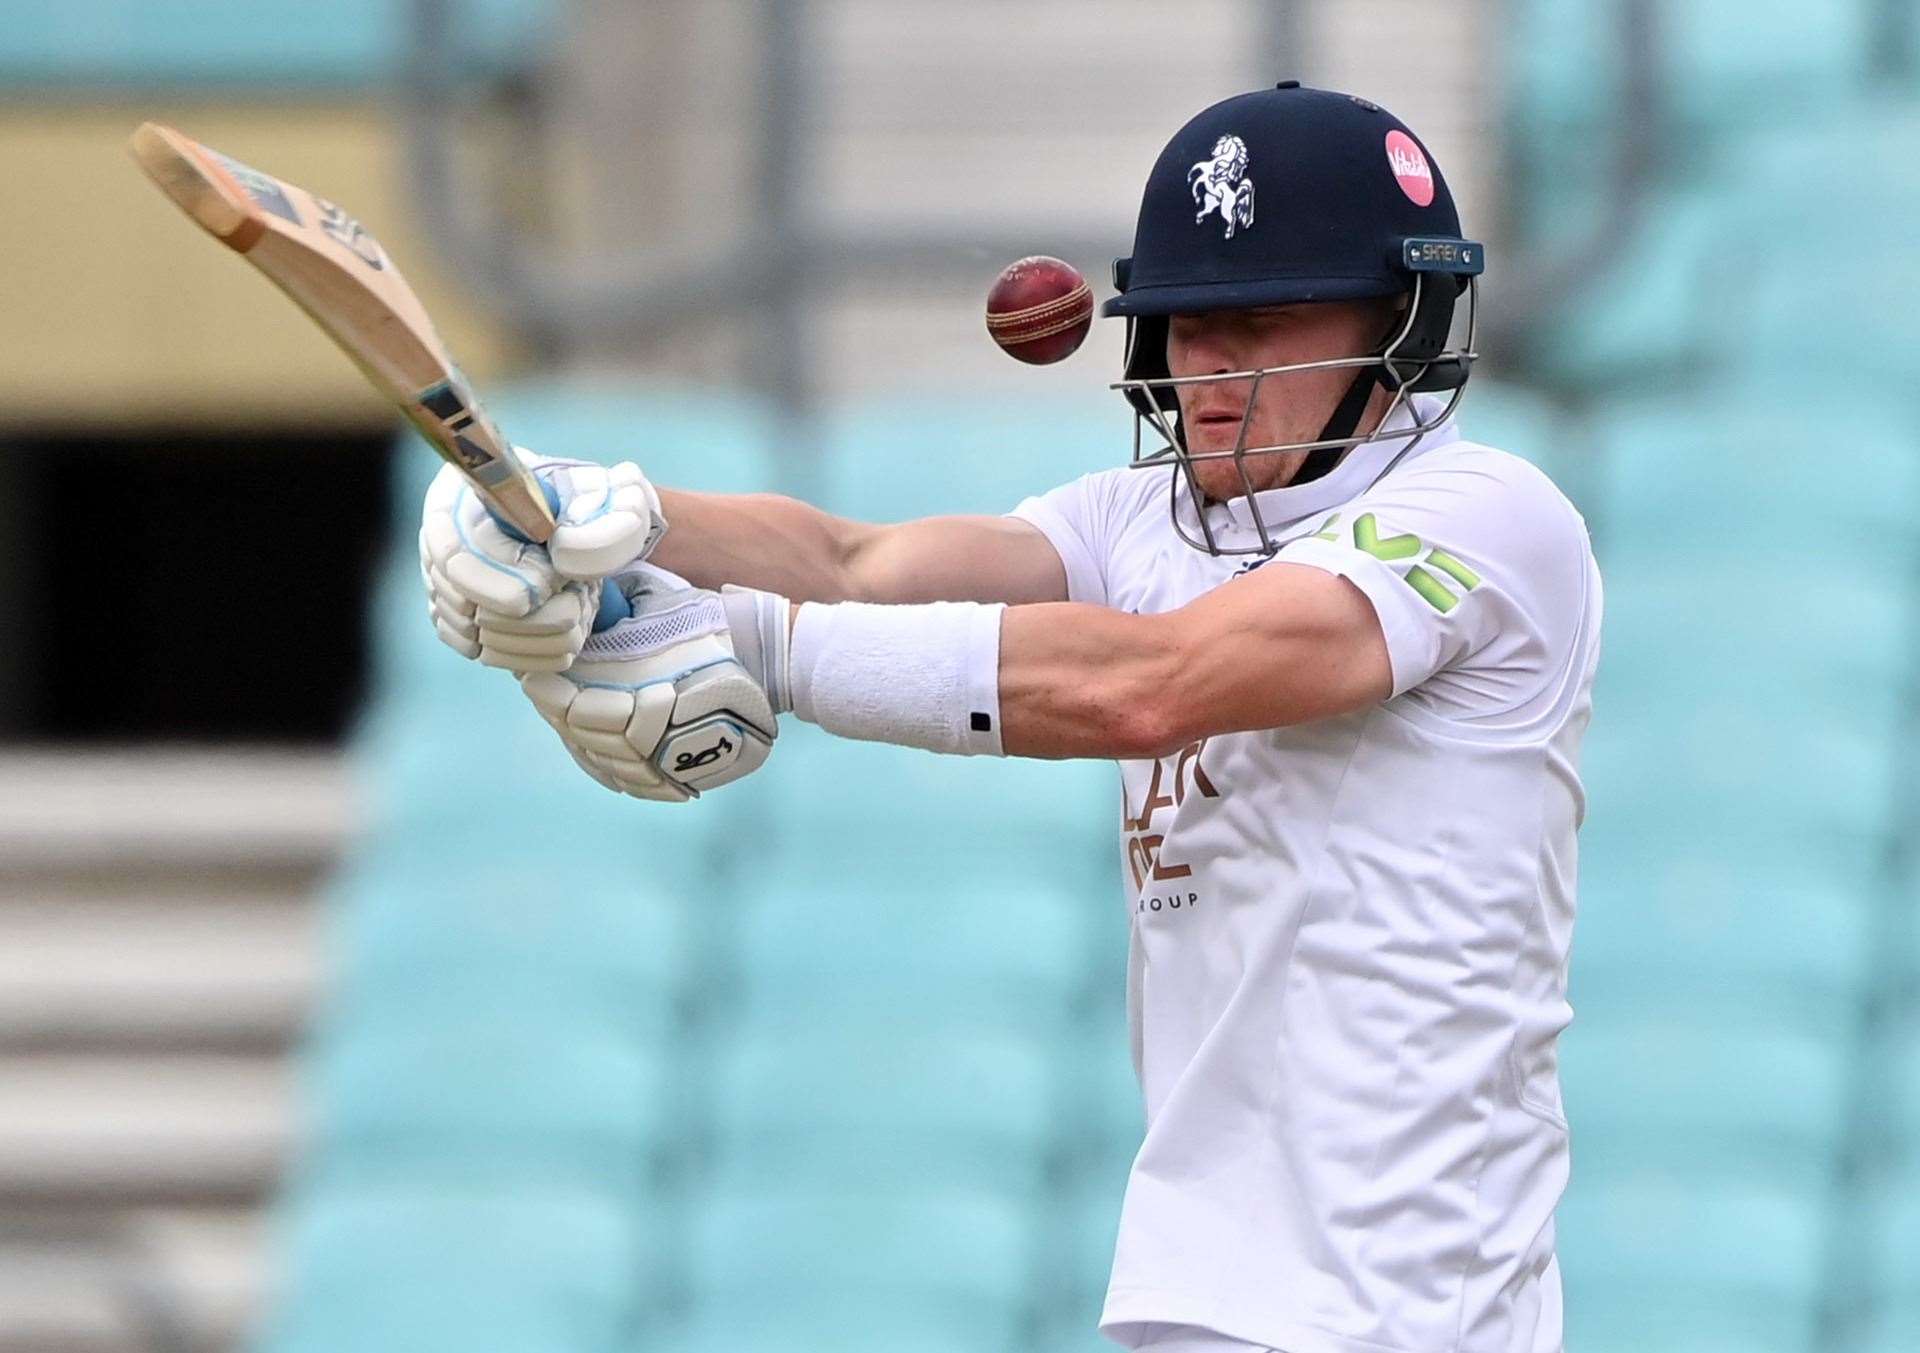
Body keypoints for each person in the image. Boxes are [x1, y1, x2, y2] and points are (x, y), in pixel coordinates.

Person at [420, 83, 1601, 1353]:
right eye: (1187, 326)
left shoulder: (1485, 515)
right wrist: (604, 512)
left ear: (1398, 324)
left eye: (1266, 321)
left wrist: (762, 647)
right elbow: (854, 557)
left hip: (1417, 1304)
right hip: (1198, 1290)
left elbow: (1156, 685)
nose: (1212, 371)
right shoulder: (1135, 521)